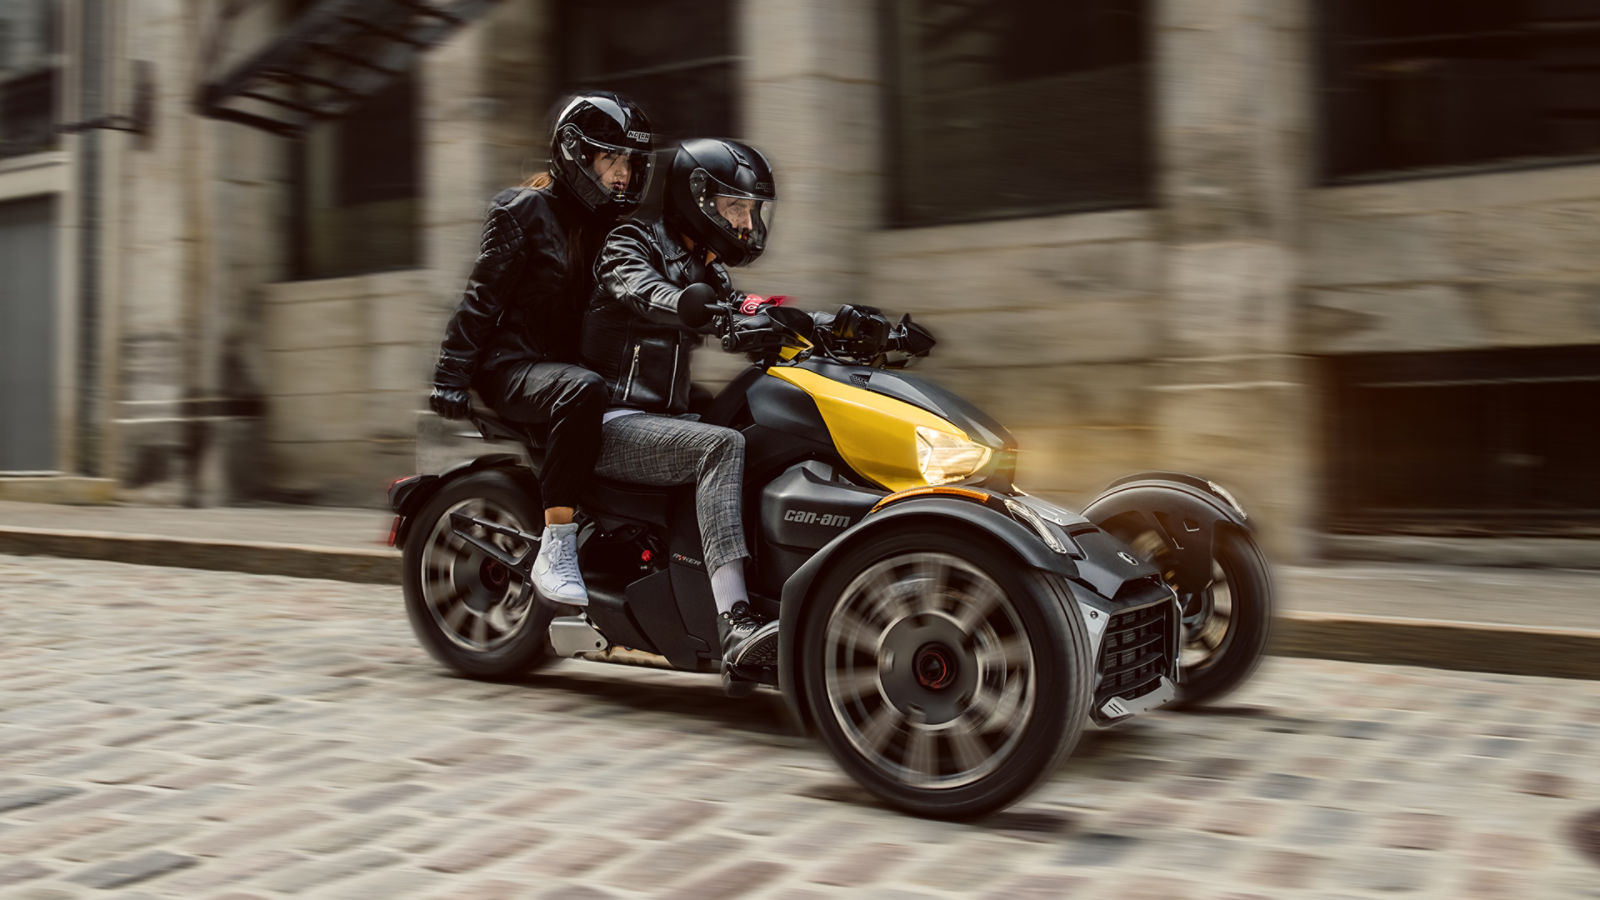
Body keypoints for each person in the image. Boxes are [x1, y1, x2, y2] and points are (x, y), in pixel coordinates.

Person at [428, 91, 654, 607]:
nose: (623, 173)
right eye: (611, 158)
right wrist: (450, 375)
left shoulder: (614, 230)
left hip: (568, 369)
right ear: (577, 153)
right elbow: (480, 301)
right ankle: (557, 547)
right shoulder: (522, 210)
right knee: (583, 390)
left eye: (630, 162)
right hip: (513, 366)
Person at [581, 137, 779, 668]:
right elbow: (643, 290)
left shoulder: (707, 268)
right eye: (733, 207)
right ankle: (735, 620)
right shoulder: (631, 242)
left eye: (750, 209)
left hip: (662, 422)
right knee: (720, 447)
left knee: (760, 435)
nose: (745, 220)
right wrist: (701, 310)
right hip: (612, 420)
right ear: (697, 201)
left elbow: (746, 304)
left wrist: (826, 322)